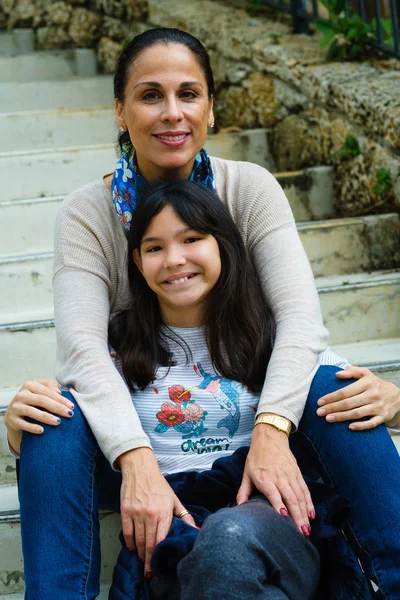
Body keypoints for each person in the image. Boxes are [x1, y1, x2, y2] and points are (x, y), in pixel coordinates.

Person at [4, 27, 400, 599]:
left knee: (328, 387)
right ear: (119, 109)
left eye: (189, 94)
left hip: (249, 432)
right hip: (140, 433)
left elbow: (300, 323)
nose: (172, 113)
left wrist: (272, 428)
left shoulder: (251, 189)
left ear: (211, 108)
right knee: (50, 416)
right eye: (149, 95)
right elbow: (84, 354)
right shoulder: (87, 215)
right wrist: (135, 457)